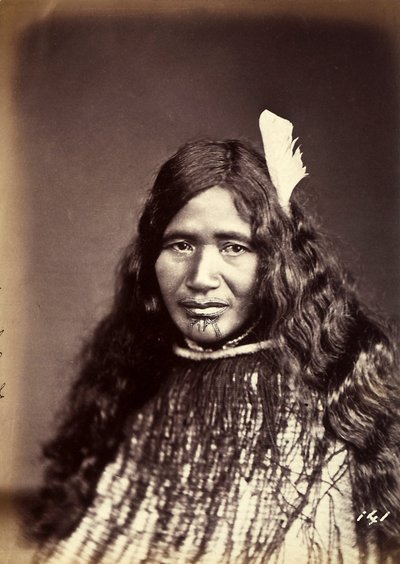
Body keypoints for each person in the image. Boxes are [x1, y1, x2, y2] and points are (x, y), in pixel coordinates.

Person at [27, 111, 399, 563]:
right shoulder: (137, 390)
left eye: (234, 247)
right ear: (151, 257)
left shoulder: (330, 404)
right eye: (180, 245)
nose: (201, 277)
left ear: (277, 262)